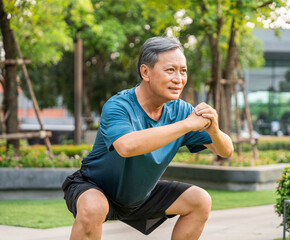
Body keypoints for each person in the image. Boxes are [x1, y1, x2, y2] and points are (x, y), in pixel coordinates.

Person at [62, 36, 233, 240]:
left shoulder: (182, 111)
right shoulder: (119, 105)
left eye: (183, 70)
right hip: (95, 187)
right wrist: (187, 125)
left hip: (140, 196)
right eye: (170, 70)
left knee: (199, 200)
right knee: (93, 207)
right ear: (145, 72)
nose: (179, 79)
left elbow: (226, 151)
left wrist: (214, 130)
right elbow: (127, 146)